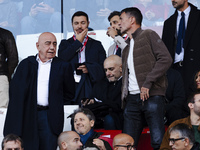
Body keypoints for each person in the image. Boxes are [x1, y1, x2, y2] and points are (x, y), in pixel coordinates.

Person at [4, 32, 75, 150]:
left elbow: (69, 93)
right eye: (48, 44)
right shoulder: (26, 64)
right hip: (28, 114)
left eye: (54, 44)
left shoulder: (63, 66)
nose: (52, 47)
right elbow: (15, 92)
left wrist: (54, 102)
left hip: (49, 116)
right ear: (38, 46)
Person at [120, 7, 172, 149]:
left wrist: (148, 83)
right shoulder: (127, 46)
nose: (119, 23)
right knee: (127, 142)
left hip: (152, 95)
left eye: (121, 19)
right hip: (132, 99)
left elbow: (166, 59)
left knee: (157, 140)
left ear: (132, 20)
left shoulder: (149, 34)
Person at [58, 11, 106, 105]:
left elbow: (103, 67)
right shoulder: (65, 44)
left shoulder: (97, 45)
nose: (79, 26)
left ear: (88, 23)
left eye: (83, 23)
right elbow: (62, 59)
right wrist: (78, 42)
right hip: (71, 86)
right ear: (72, 25)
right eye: (76, 23)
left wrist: (89, 68)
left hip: (91, 85)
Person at [162, 0, 200, 97]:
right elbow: (164, 51)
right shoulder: (168, 23)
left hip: (195, 70)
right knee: (177, 103)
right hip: (174, 70)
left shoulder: (198, 16)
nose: (173, 0)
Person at [82, 55, 123, 130]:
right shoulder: (100, 84)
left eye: (111, 69)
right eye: (105, 70)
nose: (107, 73)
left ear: (121, 68)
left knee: (109, 119)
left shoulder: (128, 83)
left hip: (119, 117)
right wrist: (91, 101)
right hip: (101, 114)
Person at [0, 27, 18, 108]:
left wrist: (5, 75)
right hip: (1, 77)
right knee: (1, 115)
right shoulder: (5, 34)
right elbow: (13, 58)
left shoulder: (5, 34)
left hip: (1, 77)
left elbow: (13, 59)